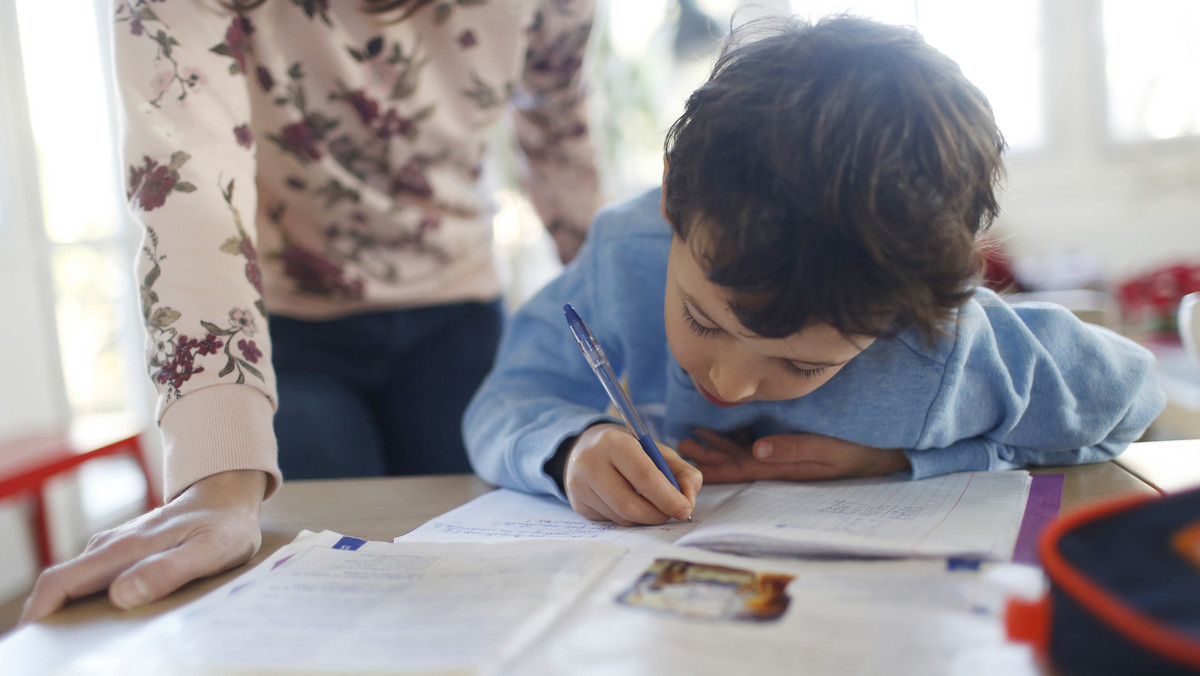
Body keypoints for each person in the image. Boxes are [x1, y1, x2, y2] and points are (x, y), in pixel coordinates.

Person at [462, 14, 1167, 526]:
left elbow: (1128, 403)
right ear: (676, 198)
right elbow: (505, 400)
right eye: (703, 319)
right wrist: (571, 449)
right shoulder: (626, 253)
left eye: (800, 366)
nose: (729, 383)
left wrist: (900, 461)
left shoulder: (941, 346)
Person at [21, 0, 599, 622]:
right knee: (329, 599)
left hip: (460, 315)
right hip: (283, 332)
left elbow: (561, 139)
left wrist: (622, 349)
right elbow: (190, 190)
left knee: (479, 596)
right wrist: (218, 474)